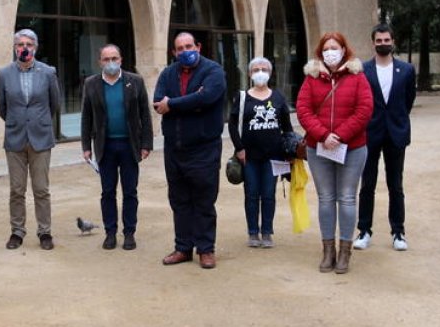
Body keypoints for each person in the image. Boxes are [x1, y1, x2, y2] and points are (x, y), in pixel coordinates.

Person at [296, 31, 373, 275]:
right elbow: (303, 109)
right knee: (326, 198)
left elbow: (364, 109)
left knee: (348, 198)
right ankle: (327, 249)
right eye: (326, 48)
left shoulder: (357, 76)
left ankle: (345, 251)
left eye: (335, 47)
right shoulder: (311, 78)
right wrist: (323, 135)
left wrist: (339, 135)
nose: (330, 52)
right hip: (319, 148)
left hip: (352, 147)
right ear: (320, 52)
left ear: (343, 50)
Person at [154, 32, 226, 269]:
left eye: (189, 46)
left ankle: (206, 249)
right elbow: (157, 102)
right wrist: (191, 101)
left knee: (204, 200)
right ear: (174, 52)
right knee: (179, 200)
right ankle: (183, 248)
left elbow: (207, 98)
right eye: (179, 48)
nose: (185, 51)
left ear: (198, 46)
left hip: (204, 149)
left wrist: (173, 104)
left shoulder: (214, 71)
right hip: (174, 148)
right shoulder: (167, 73)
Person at [80, 44, 153, 251]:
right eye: (106, 59)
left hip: (130, 145)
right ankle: (110, 233)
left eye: (114, 58)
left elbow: (144, 115)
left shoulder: (135, 81)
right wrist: (86, 146)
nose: (110, 62)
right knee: (107, 192)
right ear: (100, 62)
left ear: (121, 60)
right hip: (105, 146)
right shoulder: (91, 84)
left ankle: (129, 233)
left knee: (130, 191)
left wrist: (146, 144)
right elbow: (87, 116)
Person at [0, 29, 61, 250]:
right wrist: (18, 121)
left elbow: (55, 104)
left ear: (36, 47)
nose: (24, 48)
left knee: (41, 189)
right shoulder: (4, 74)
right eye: (20, 44)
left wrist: (37, 122)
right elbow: (1, 106)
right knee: (16, 189)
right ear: (15, 48)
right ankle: (17, 231)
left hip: (41, 138)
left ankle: (45, 232)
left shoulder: (48, 72)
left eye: (29, 44)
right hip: (15, 138)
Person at [354, 23, 417, 252]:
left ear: (393, 41)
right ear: (373, 43)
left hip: (396, 133)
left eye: (386, 40)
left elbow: (408, 99)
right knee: (367, 184)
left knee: (396, 184)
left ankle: (398, 232)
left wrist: (397, 120)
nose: (383, 44)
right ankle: (364, 231)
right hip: (370, 133)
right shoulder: (362, 69)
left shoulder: (406, 70)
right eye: (379, 41)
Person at [228, 56, 292, 249]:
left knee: (269, 194)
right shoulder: (242, 97)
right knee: (252, 194)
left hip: (273, 156)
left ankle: (267, 232)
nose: (260, 73)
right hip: (249, 157)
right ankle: (253, 232)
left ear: (270, 73)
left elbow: (287, 128)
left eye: (264, 69)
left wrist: (290, 150)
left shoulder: (278, 97)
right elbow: (232, 125)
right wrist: (239, 148)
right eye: (256, 70)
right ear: (249, 74)